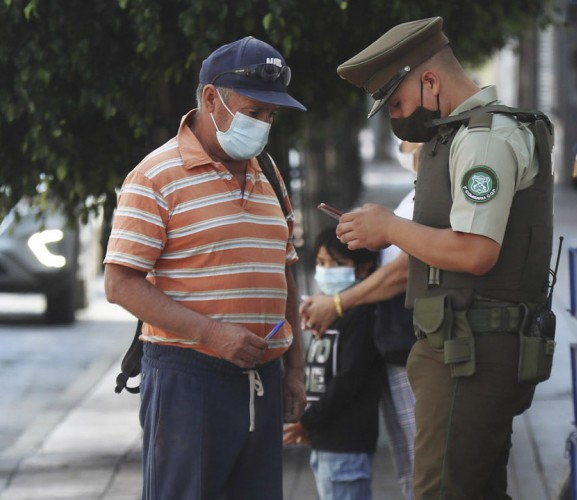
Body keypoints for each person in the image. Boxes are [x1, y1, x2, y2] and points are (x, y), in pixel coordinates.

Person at [334, 17, 555, 499]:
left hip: (471, 353)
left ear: (429, 80)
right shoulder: (458, 136)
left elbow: (477, 252)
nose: (397, 118)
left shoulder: (484, 140)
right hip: (460, 345)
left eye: (398, 103)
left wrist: (390, 227)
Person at [102, 36, 307, 499]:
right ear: (212, 99)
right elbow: (120, 284)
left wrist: (295, 367)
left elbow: (285, 270)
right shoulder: (155, 177)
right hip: (189, 381)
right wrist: (213, 335)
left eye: (271, 116)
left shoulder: (268, 174)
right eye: (254, 112)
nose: (263, 125)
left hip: (263, 378)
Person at [300, 141, 421, 500]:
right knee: (412, 470)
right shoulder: (417, 195)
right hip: (398, 348)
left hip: (411, 348)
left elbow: (405, 270)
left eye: (406, 127)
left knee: (424, 469)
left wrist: (338, 303)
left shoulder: (431, 196)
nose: (402, 143)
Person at [284, 227, 384, 500]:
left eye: (336, 263)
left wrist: (308, 421)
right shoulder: (328, 316)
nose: (326, 270)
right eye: (320, 263)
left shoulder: (360, 316)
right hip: (326, 440)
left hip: (346, 442)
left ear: (363, 269)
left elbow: (348, 379)